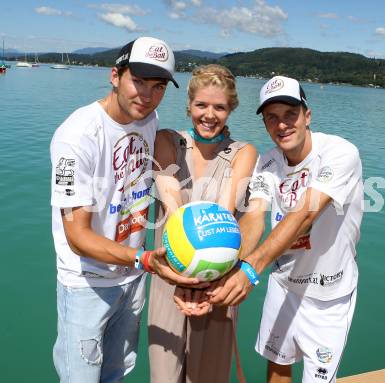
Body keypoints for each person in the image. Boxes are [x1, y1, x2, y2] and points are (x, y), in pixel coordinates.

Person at [50, 36, 202, 383]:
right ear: (115, 76)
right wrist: (146, 260)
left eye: (158, 86)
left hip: (131, 280)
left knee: (117, 374)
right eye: (139, 81)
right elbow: (77, 235)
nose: (147, 96)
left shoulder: (148, 119)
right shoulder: (76, 138)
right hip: (88, 283)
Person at [202, 75, 364, 382]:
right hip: (283, 283)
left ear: (307, 115)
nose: (282, 125)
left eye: (290, 114)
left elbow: (305, 214)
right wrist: (228, 266)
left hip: (328, 294)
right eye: (272, 118)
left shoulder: (340, 153)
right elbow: (254, 217)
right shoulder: (267, 162)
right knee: (277, 364)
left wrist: (251, 270)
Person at [147, 64, 258, 383]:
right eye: (201, 105)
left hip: (218, 282)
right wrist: (182, 283)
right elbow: (172, 204)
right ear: (189, 105)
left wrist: (201, 285)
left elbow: (223, 216)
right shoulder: (166, 140)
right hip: (167, 280)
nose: (209, 114)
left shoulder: (243, 153)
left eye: (219, 107)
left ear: (231, 109)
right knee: (164, 378)